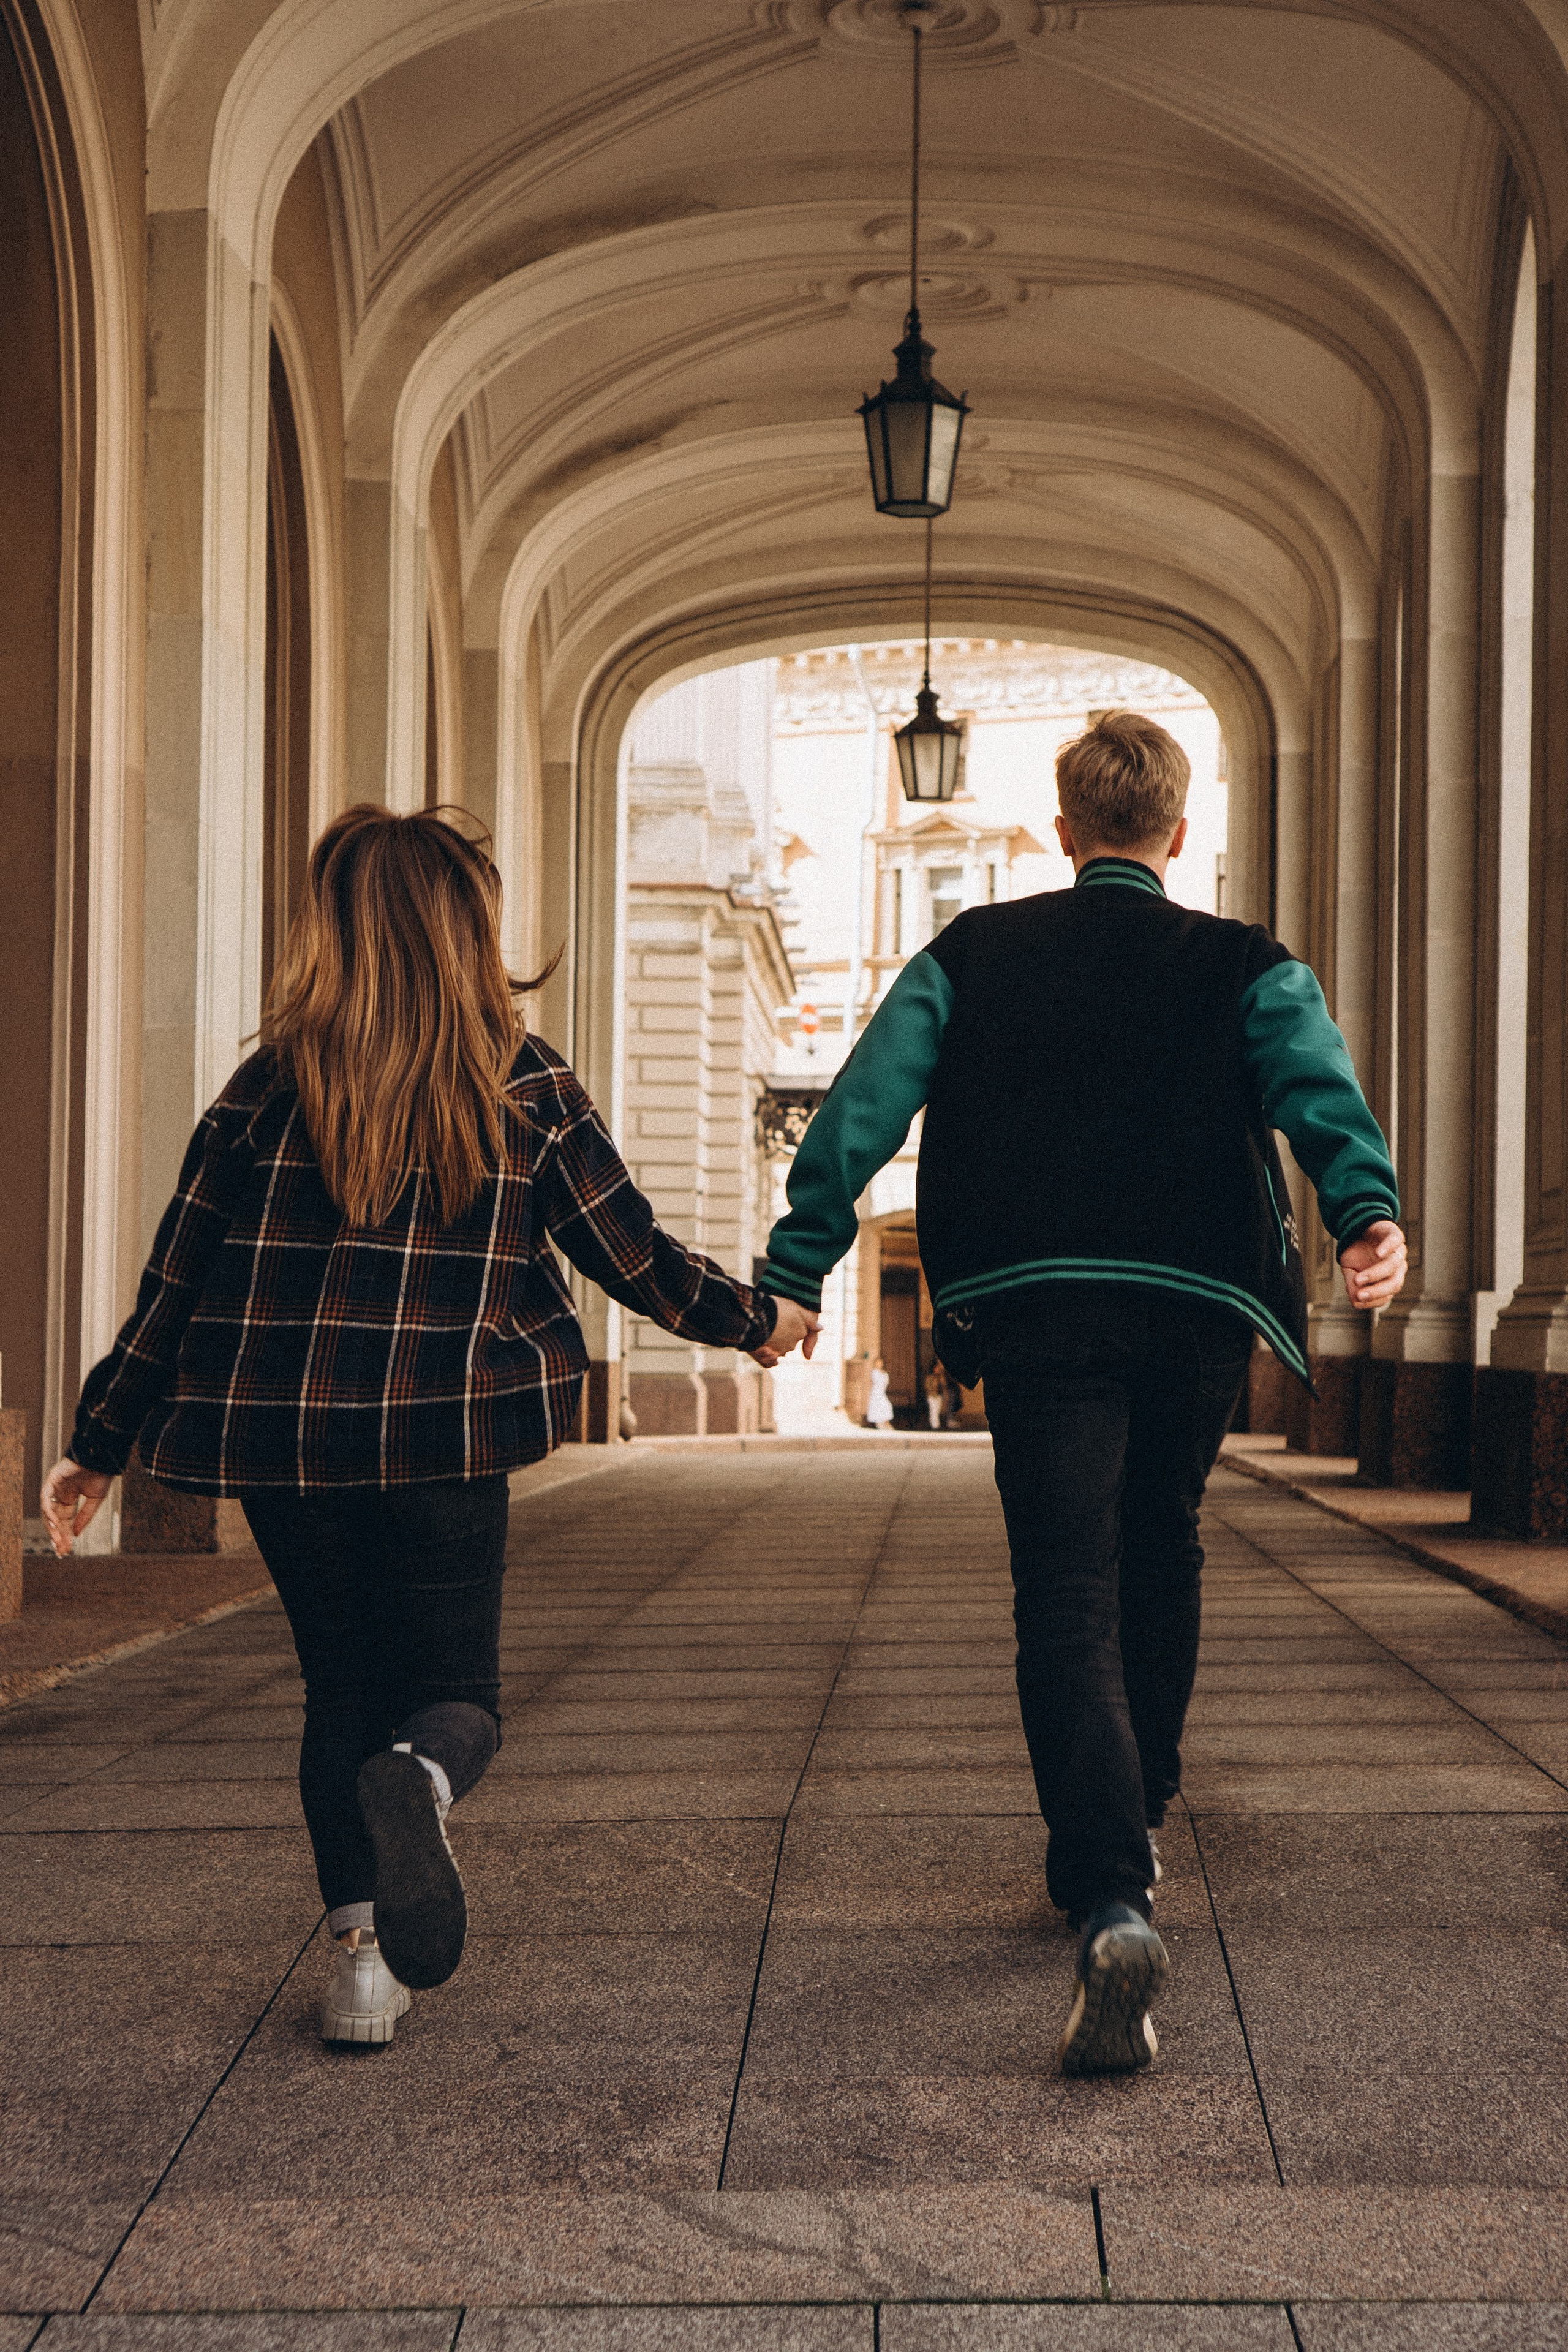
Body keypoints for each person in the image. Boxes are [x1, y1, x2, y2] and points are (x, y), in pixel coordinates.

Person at [41, 806, 818, 2048]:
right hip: (446, 1438)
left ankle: (360, 1967)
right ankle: (428, 1777)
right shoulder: (523, 1080)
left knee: (338, 1683)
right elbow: (631, 1256)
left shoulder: (267, 1087)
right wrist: (753, 1324)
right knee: (453, 1693)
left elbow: (174, 1283)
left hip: (287, 1449)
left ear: (332, 931)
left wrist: (99, 1441)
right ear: (468, 930)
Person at [756, 711, 1404, 2078]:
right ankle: (1139, 1818)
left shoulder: (971, 953)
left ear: (1061, 832)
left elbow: (863, 1105)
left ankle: (1107, 1882)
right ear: (1175, 837)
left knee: (1061, 1581)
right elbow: (1312, 1083)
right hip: (1193, 1303)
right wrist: (1362, 1212)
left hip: (1039, 1298)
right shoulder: (1241, 963)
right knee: (1159, 1546)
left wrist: (798, 1262)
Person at [864, 1355, 895, 1430]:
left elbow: (886, 1382)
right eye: (878, 1363)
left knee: (887, 1406)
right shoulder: (874, 1372)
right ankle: (880, 1423)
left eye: (880, 1363)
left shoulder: (883, 1373)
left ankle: (885, 1423)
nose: (879, 1364)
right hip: (876, 1392)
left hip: (881, 1391)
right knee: (882, 1406)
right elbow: (879, 1382)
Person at [924, 1363, 949, 1430]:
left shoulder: (941, 1378)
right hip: (932, 1396)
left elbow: (944, 1387)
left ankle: (935, 1425)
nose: (938, 1370)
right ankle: (935, 1426)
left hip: (939, 1396)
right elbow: (928, 1387)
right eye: (936, 1368)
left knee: (937, 1411)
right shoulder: (930, 1378)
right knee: (934, 1411)